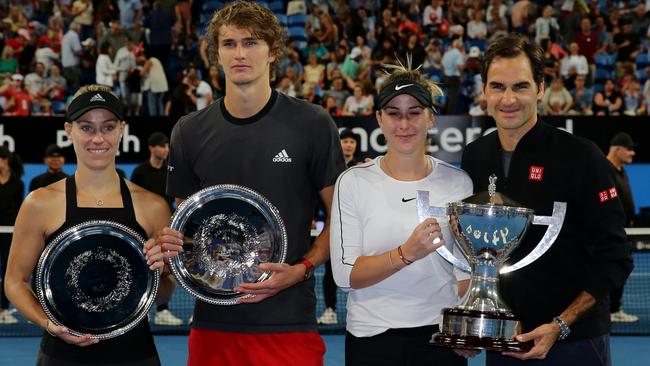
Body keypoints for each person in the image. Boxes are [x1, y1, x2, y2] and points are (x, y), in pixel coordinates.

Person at [159, 2, 346, 365]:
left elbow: (341, 217)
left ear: (273, 51)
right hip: (212, 326)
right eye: (229, 44)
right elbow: (185, 226)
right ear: (216, 54)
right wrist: (169, 243)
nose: (240, 54)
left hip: (289, 325)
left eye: (252, 42)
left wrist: (301, 269)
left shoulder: (313, 123)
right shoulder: (188, 131)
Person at [461, 34, 633, 365]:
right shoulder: (475, 156)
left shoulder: (583, 156)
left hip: (574, 342)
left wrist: (560, 325)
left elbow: (616, 256)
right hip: (505, 342)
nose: (508, 99)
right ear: (484, 91)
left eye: (520, 86)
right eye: (497, 86)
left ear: (540, 89)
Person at [4, 85, 174, 365]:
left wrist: (160, 271)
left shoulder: (153, 206)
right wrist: (48, 323)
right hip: (61, 356)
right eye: (86, 127)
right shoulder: (40, 203)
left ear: (122, 129)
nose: (98, 138)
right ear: (69, 131)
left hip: (135, 355)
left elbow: (162, 293)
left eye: (108, 128)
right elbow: (15, 281)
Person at [330, 61, 472, 366]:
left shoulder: (459, 183)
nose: (404, 125)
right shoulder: (353, 181)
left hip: (440, 341)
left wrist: (464, 324)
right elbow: (344, 276)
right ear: (380, 119)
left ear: (432, 118)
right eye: (394, 114)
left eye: (414, 113)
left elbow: (466, 272)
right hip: (372, 340)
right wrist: (406, 253)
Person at [317, 128, 359, 326]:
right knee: (329, 267)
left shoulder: (363, 167)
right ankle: (330, 310)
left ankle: (359, 309)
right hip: (333, 226)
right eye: (345, 141)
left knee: (361, 267)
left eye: (352, 141)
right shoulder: (330, 168)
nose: (349, 144)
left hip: (359, 228)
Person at [607, 132, 639, 323]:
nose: (632, 153)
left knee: (621, 269)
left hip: (625, 232)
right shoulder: (604, 169)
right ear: (617, 149)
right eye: (629, 149)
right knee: (611, 271)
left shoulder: (621, 170)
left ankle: (614, 308)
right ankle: (608, 310)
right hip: (611, 234)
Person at [0, 144, 23, 324]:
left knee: (7, 272)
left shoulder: (18, 183)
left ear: (5, 160)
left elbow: (17, 210)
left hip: (9, 233)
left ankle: (4, 310)